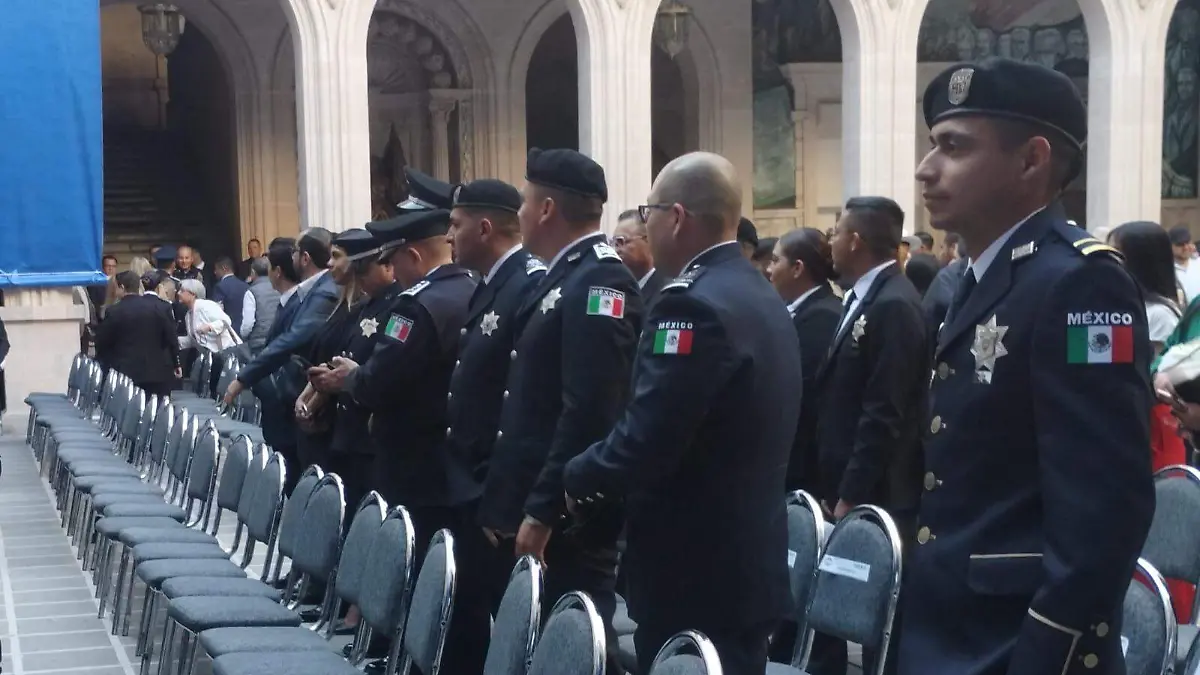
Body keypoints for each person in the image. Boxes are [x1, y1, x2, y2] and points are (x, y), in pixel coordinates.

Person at [899, 57, 1154, 675]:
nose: (925, 168)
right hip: (950, 628)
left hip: (1015, 646)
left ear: (1031, 160)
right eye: (933, 146)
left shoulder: (1080, 284)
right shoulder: (981, 276)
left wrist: (1047, 651)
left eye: (953, 148)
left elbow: (1104, 509)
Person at [563, 152, 799, 675]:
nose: (644, 224)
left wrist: (576, 473)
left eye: (648, 212)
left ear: (675, 216)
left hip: (694, 564)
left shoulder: (692, 304)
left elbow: (649, 435)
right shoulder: (755, 289)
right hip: (741, 555)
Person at [479, 148, 643, 670]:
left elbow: (589, 411)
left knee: (580, 646)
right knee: (547, 645)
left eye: (526, 202)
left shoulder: (599, 281)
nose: (521, 214)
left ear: (547, 208)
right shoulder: (562, 274)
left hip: (570, 518)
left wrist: (541, 509)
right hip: (538, 499)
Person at [311, 210, 476, 554]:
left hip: (412, 459)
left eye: (394, 261)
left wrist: (351, 376)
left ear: (413, 256)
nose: (392, 271)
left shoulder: (415, 306)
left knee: (409, 560)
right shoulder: (472, 290)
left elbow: (380, 379)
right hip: (455, 457)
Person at [811, 196, 928, 675]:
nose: (831, 243)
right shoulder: (865, 297)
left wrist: (849, 494)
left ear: (855, 239)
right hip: (846, 481)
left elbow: (885, 411)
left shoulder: (895, 304)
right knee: (839, 611)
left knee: (879, 618)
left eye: (836, 232)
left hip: (878, 491)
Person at [441, 178, 548, 672]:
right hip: (472, 483)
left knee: (508, 629)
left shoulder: (528, 283)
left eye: (456, 225)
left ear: (485, 229)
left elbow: (524, 404)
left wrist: (502, 498)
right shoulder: (493, 282)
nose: (448, 237)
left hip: (495, 491)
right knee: (471, 614)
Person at [226, 232, 337, 494]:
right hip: (298, 400)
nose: (333, 265)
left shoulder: (325, 293)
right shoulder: (309, 293)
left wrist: (243, 378)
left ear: (305, 257)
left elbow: (292, 340)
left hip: (308, 402)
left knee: (308, 485)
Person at [765, 227, 842, 495]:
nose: (768, 270)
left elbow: (801, 392)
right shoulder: (800, 310)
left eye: (775, 261)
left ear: (797, 268)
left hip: (805, 466)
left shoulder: (822, 317)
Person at [95, 271, 181, 397]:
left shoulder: (114, 311)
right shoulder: (159, 308)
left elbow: (103, 342)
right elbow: (170, 338)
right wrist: (175, 362)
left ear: (122, 287)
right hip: (156, 371)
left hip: (125, 372)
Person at [612, 208, 667, 306]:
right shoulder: (617, 288)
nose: (616, 250)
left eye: (621, 241)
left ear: (648, 240)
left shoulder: (666, 291)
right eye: (614, 243)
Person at [210, 257, 252, 340]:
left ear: (224, 268)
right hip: (246, 330)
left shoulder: (220, 286)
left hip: (229, 331)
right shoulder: (246, 286)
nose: (215, 272)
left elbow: (217, 310)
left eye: (216, 269)